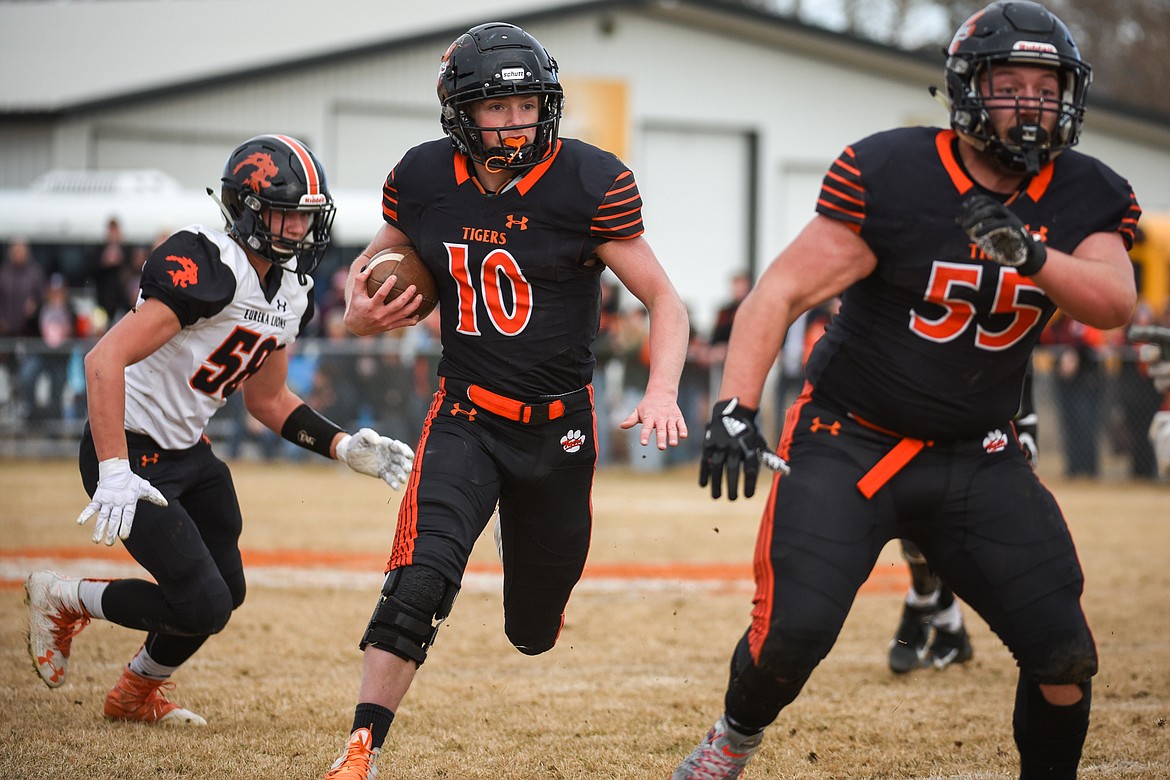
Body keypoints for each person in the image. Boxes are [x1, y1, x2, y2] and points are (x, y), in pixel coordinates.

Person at [677, 2, 1140, 778]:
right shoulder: (895, 172)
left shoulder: (1086, 190)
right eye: (1010, 83)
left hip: (978, 454)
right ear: (967, 90)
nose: (1031, 101)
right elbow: (778, 294)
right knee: (794, 633)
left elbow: (1114, 304)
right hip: (851, 440)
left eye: (1046, 84)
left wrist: (1029, 254)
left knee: (1064, 653)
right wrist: (735, 406)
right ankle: (733, 740)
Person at [323, 22, 689, 778]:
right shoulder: (422, 178)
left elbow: (665, 300)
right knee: (420, 577)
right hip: (464, 412)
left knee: (532, 631)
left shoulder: (588, 181)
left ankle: (524, 560)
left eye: (529, 103)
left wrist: (660, 388)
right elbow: (366, 278)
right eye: (498, 106)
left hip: (559, 428)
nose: (517, 120)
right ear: (460, 110)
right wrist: (358, 316)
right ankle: (360, 750)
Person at [24, 135, 414, 726]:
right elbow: (103, 360)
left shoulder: (293, 291)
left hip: (189, 452)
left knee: (225, 594)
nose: (302, 229)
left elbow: (269, 399)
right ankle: (62, 598)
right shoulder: (207, 264)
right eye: (289, 213)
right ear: (249, 209)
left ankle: (134, 694)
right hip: (131, 450)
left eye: (310, 215)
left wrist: (340, 444)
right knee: (201, 603)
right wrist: (112, 469)